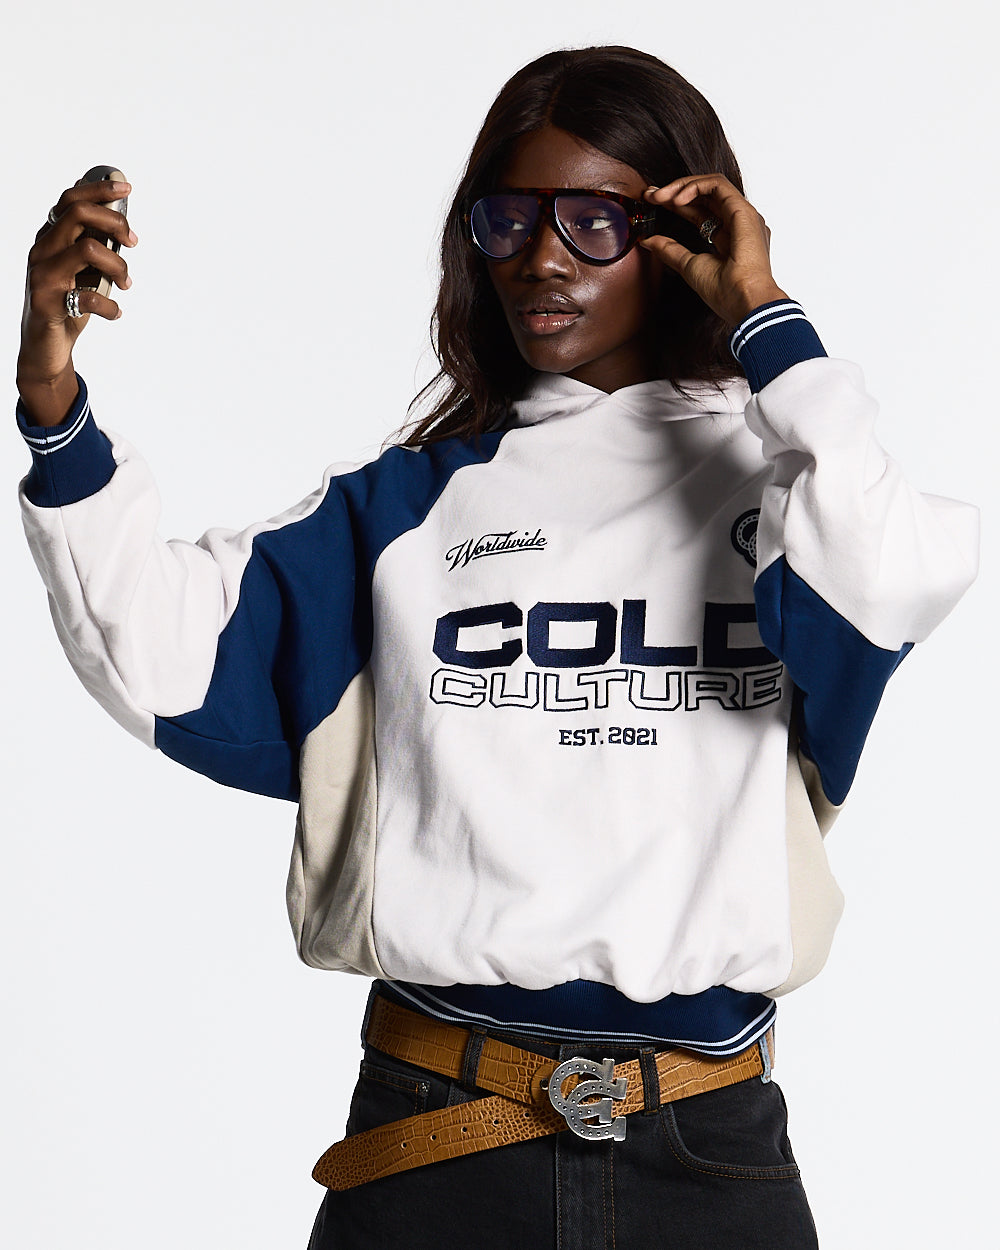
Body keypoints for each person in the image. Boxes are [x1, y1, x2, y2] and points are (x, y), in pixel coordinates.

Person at [16, 45, 978, 1250]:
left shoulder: (785, 487)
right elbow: (158, 648)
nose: (541, 257)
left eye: (595, 220)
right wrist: (52, 398)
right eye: (509, 219)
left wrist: (764, 318)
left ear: (684, 232)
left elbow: (890, 574)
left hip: (707, 1152)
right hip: (435, 1138)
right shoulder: (406, 509)